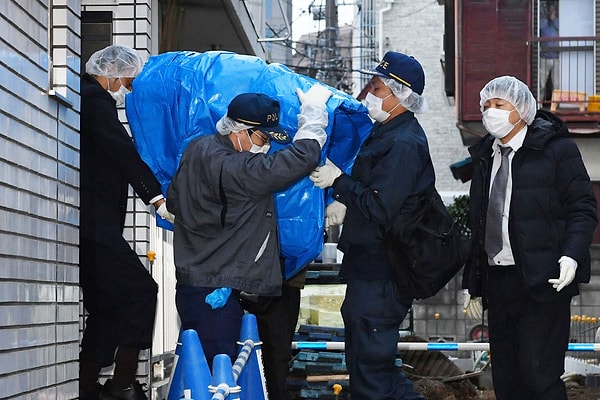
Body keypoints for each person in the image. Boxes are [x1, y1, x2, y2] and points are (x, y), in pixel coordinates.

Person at [167, 87, 332, 397]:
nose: (266, 147)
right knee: (219, 384)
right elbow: (299, 159)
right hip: (216, 289)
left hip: (198, 284)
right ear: (240, 130)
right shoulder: (235, 168)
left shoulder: (197, 149)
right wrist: (312, 116)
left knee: (208, 374)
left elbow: (175, 201)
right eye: (262, 139)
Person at [462, 76, 597, 400]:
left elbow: (583, 207)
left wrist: (571, 255)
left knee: (540, 375)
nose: (489, 111)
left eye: (499, 105)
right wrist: (473, 281)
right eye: (486, 105)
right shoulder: (485, 157)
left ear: (521, 109)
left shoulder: (557, 151)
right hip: (499, 280)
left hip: (543, 281)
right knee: (506, 380)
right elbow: (479, 222)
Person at [309, 51, 430, 400]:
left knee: (371, 371)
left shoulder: (404, 142)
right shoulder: (387, 132)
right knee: (376, 368)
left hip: (383, 271)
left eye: (375, 87)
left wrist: (340, 184)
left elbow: (382, 206)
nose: (367, 94)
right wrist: (347, 203)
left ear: (399, 94)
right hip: (369, 268)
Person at [79, 45, 175, 400]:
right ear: (112, 74)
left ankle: (87, 387)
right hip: (95, 226)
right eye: (127, 83)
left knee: (105, 307)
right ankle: (121, 383)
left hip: (87, 226)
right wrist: (157, 197)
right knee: (141, 292)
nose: (127, 91)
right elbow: (123, 152)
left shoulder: (87, 101)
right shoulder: (93, 100)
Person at [539, 1, 560, 103]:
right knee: (541, 83)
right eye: (549, 11)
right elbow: (539, 31)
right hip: (544, 57)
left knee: (556, 83)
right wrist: (548, 20)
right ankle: (539, 104)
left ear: (556, 12)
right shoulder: (543, 23)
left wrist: (554, 20)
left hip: (557, 57)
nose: (551, 13)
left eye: (553, 11)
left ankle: (556, 104)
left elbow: (563, 29)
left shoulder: (558, 23)